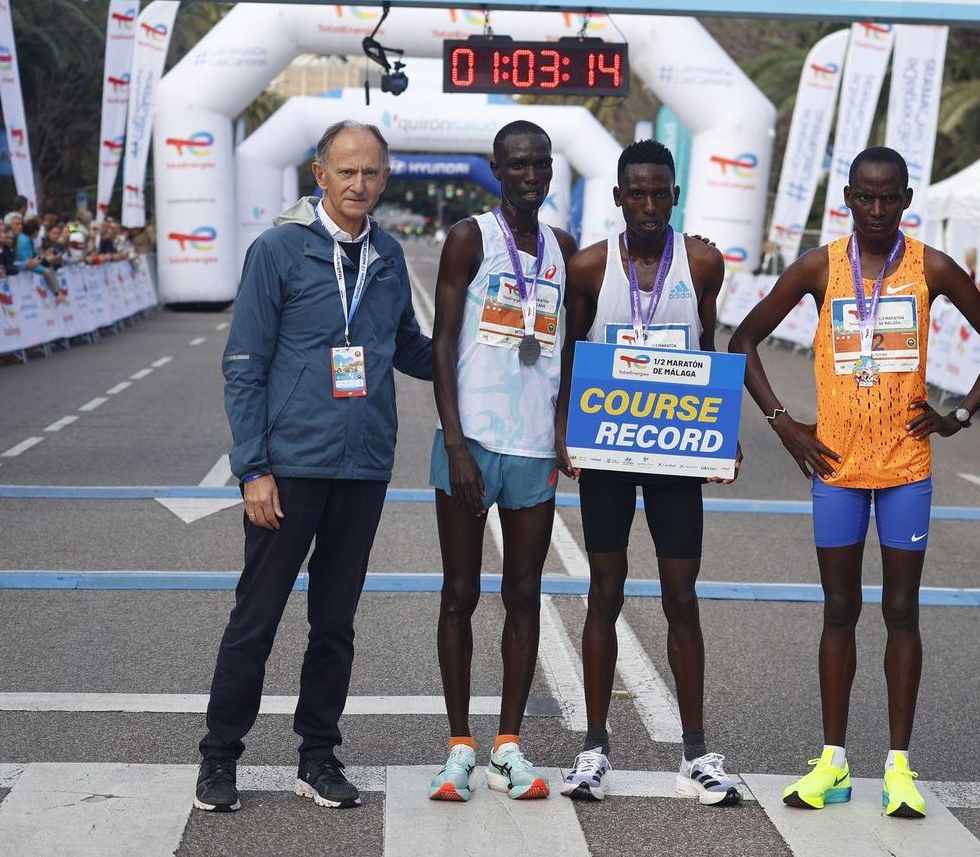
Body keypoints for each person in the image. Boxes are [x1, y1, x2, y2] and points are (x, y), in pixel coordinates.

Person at [730, 146, 980, 820]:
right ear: (849, 198)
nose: (878, 210)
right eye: (866, 197)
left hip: (906, 466)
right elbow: (742, 340)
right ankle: (832, 762)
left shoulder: (931, 267)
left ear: (907, 199)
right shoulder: (820, 266)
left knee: (902, 611)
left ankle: (899, 768)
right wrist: (784, 425)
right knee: (839, 610)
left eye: (890, 198)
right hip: (836, 466)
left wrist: (959, 415)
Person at [194, 120, 433, 814]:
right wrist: (252, 469)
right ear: (320, 175)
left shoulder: (388, 255)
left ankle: (318, 755)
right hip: (290, 466)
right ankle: (219, 756)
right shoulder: (278, 251)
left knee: (335, 623)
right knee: (257, 617)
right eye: (347, 171)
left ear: (385, 179)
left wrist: (481, 343)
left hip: (363, 466)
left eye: (372, 173)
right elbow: (244, 366)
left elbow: (407, 347)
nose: (360, 184)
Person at [552, 140, 741, 805]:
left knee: (681, 596)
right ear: (618, 197)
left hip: (676, 446)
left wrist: (722, 434)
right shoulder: (589, 267)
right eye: (637, 193)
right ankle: (593, 748)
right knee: (604, 591)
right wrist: (563, 432)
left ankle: (696, 751)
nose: (650, 205)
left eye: (661, 192)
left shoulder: (703, 263)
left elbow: (709, 347)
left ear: (676, 195)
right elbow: (571, 354)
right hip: (609, 444)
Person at [427, 120, 577, 803]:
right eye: (518, 165)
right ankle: (459, 746)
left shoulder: (562, 248)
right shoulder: (470, 238)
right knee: (460, 592)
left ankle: (508, 746)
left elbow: (572, 344)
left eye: (540, 164)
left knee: (524, 592)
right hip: (473, 442)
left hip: (534, 446)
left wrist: (563, 425)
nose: (531, 176)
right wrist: (455, 442)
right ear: (496, 169)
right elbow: (442, 341)